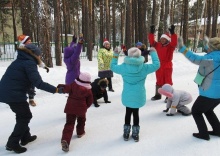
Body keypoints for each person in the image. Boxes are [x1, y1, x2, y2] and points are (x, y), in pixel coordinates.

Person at [0, 43, 63, 154]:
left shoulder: (20, 60)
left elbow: (27, 81)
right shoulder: (29, 63)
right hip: (13, 94)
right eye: (39, 55)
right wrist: (56, 90)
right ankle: (12, 143)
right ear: (34, 54)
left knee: (22, 115)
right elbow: (38, 83)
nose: (40, 57)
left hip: (9, 92)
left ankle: (25, 137)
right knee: (25, 116)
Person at [110, 47, 160, 142]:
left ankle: (126, 133)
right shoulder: (144, 67)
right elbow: (156, 65)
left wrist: (116, 54)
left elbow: (112, 66)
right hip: (138, 95)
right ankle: (135, 134)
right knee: (136, 114)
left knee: (128, 113)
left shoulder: (124, 67)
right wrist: (153, 53)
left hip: (127, 95)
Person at [177, 36, 220, 140]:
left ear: (211, 47)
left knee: (196, 111)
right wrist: (207, 44)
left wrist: (182, 47)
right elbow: (212, 51)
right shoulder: (215, 56)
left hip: (209, 93)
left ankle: (203, 134)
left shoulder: (209, 59)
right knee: (208, 110)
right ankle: (218, 131)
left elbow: (195, 58)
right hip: (218, 94)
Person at [58, 72, 93, 152]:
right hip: (81, 109)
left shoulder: (73, 84)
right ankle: (80, 132)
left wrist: (60, 86)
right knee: (81, 120)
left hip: (70, 107)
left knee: (69, 123)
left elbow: (66, 88)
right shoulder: (88, 90)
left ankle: (65, 140)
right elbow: (90, 101)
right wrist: (85, 107)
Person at [16, 35, 50, 106]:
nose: (30, 42)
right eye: (28, 41)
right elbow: (15, 62)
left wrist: (44, 66)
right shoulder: (19, 51)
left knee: (32, 84)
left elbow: (37, 59)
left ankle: (31, 99)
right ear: (24, 42)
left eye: (30, 41)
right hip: (22, 71)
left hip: (31, 70)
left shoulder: (31, 49)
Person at [148, 25, 177, 102]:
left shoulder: (170, 46)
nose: (162, 40)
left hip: (167, 65)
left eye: (164, 39)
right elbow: (151, 42)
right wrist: (151, 33)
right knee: (159, 80)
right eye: (161, 39)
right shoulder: (157, 45)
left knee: (168, 80)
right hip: (159, 65)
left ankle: (169, 96)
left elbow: (174, 42)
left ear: (167, 40)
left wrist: (173, 33)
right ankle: (158, 95)